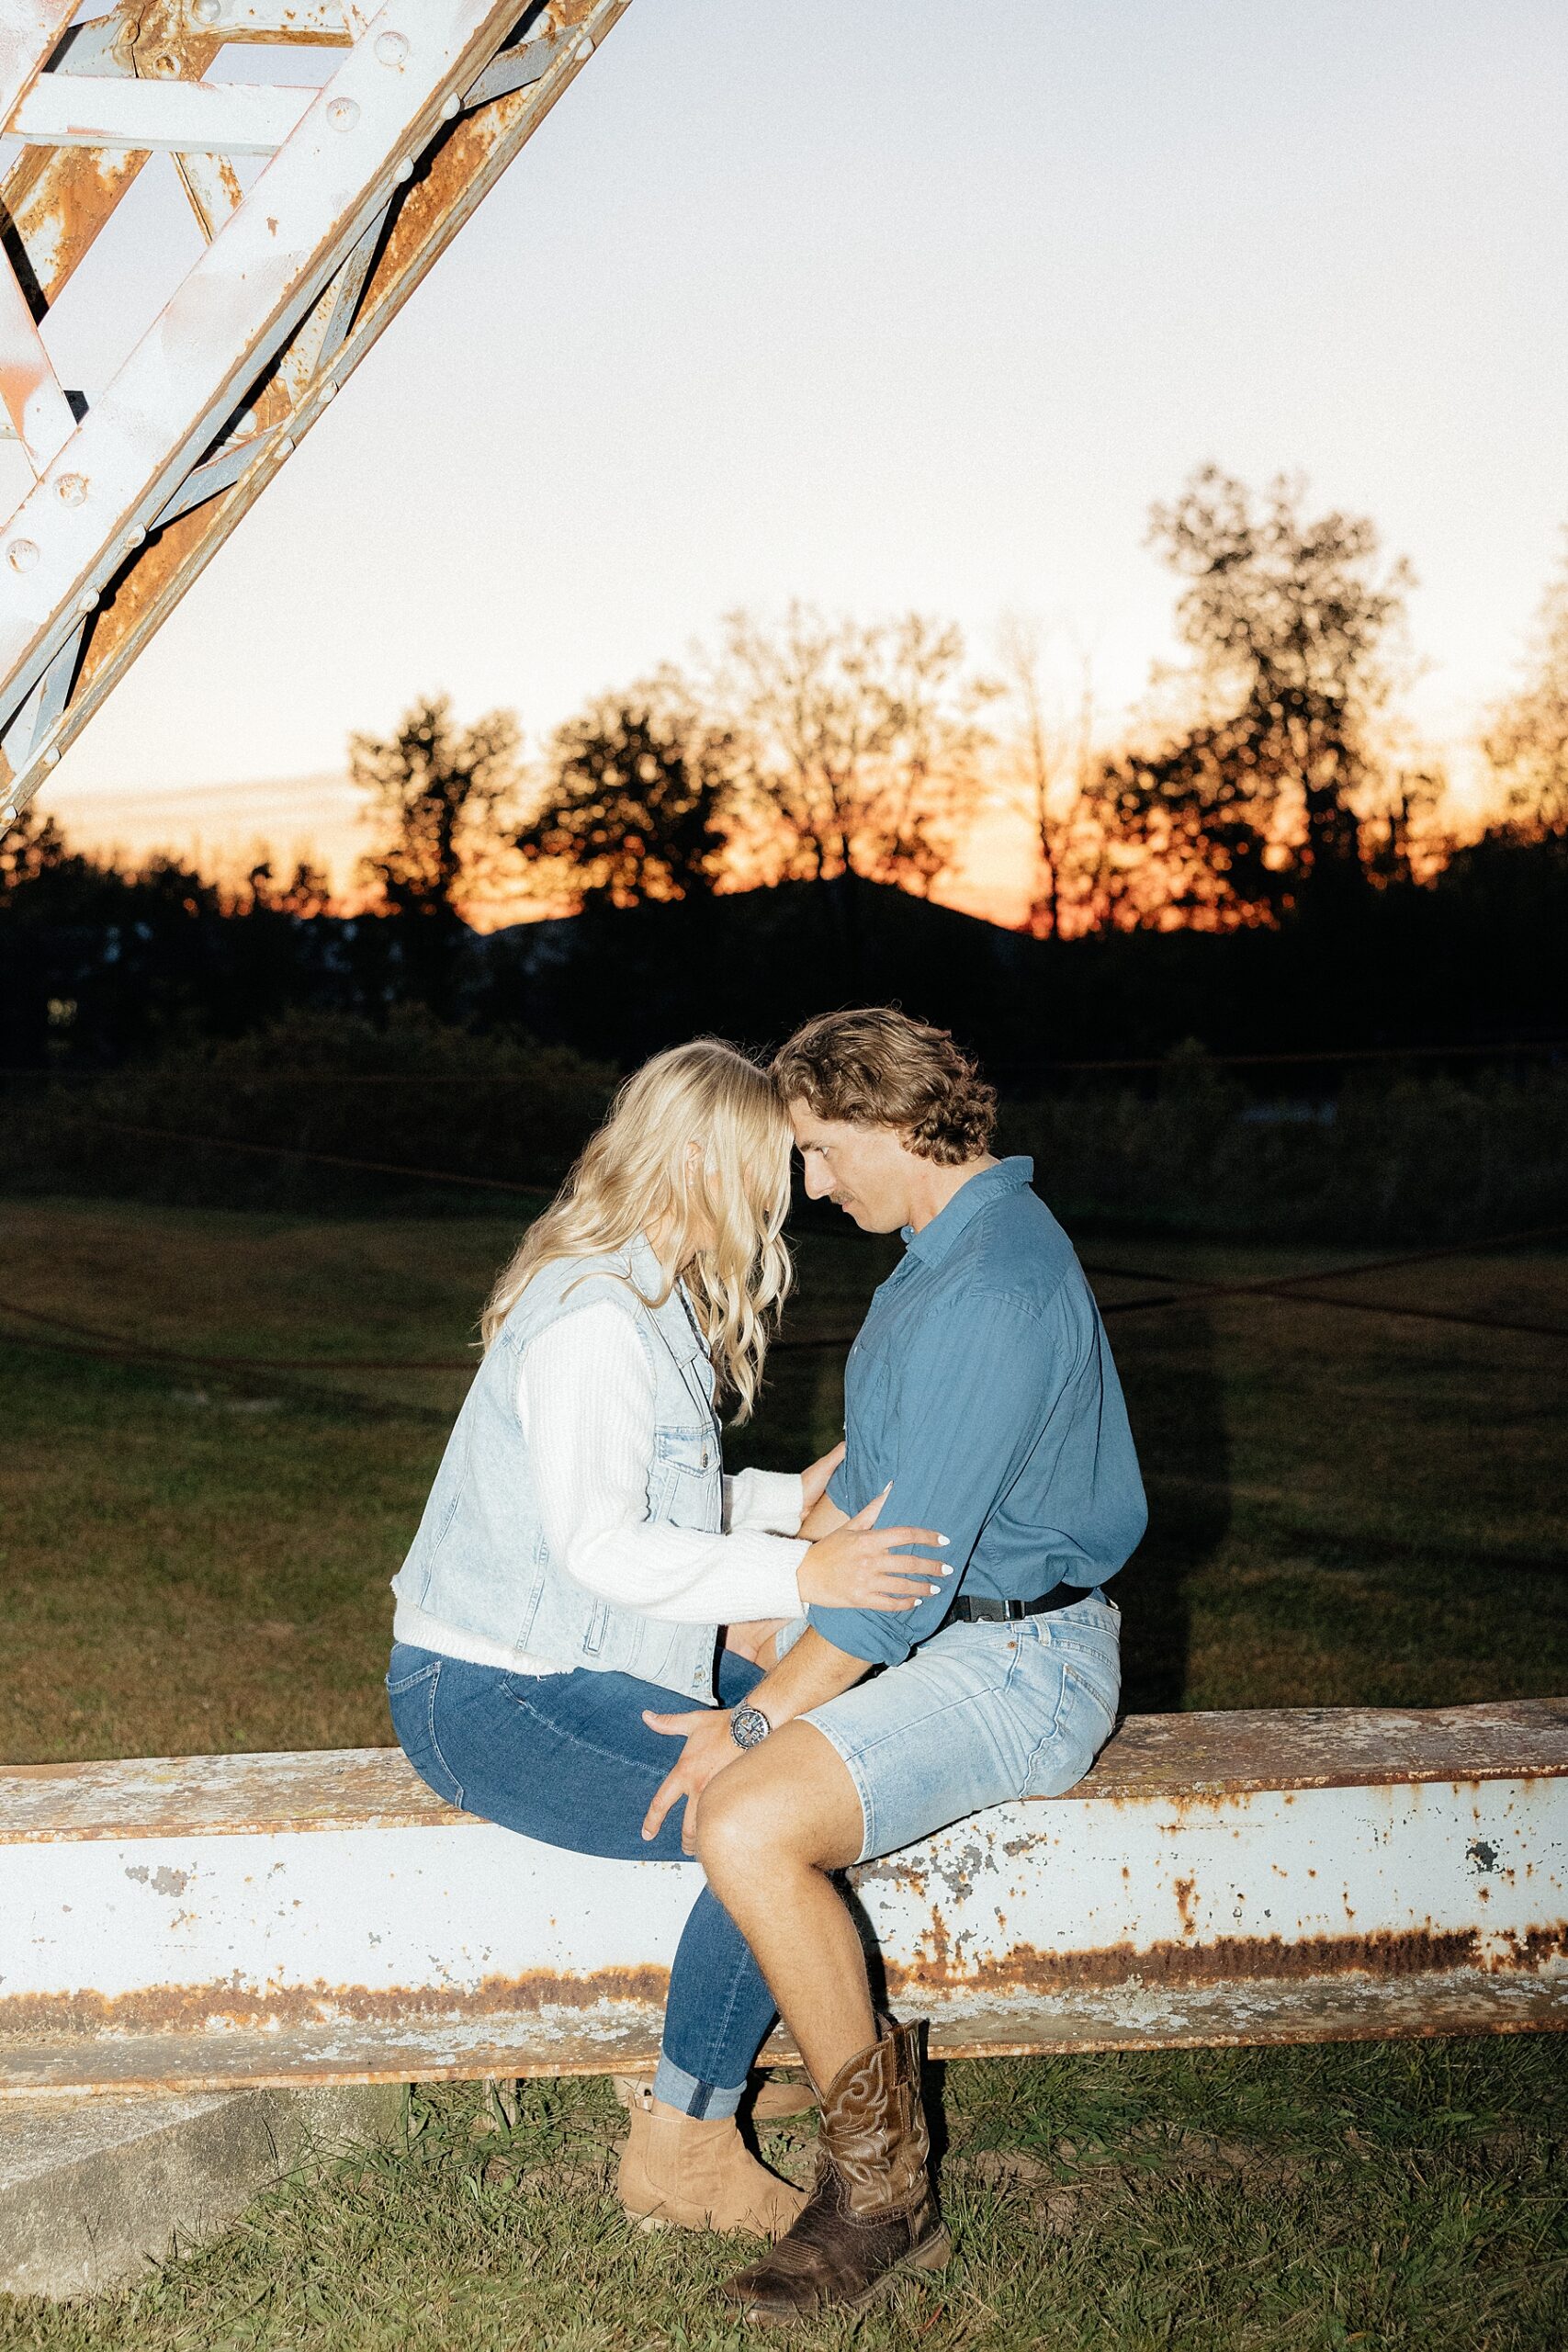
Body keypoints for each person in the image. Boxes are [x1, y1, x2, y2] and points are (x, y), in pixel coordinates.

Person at [384, 1037, 944, 2239]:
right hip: (491, 1697)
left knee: (816, 1732)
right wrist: (806, 1565)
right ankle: (686, 2144)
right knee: (765, 1823)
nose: (793, 1189)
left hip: (576, 1666)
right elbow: (603, 1548)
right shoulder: (598, 1321)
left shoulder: (644, 1299)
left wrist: (794, 1499)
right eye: (772, 1161)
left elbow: (657, 1511)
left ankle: (770, 2009)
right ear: (696, 1155)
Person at [640, 1007, 1147, 2322]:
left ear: (886, 1122)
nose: (809, 1183)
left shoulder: (991, 1287)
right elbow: (870, 1484)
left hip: (1023, 1660)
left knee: (745, 1825)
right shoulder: (943, 1250)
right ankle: (695, 2094)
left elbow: (900, 1585)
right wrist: (758, 1602)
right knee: (720, 1676)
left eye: (816, 1151)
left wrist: (751, 1725)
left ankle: (878, 2191)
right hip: (963, 1628)